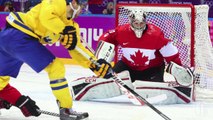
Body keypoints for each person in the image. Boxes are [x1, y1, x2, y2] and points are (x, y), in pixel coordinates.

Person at [0, 0, 111, 120]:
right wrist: (63, 30)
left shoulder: (72, 27)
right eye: (81, 7)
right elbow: (46, 16)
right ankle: (66, 109)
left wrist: (93, 64)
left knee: (1, 79)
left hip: (8, 38)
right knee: (56, 67)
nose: (81, 11)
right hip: (19, 35)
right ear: (74, 3)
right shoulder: (59, 3)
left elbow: (77, 48)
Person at [69, 9, 194, 105]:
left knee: (149, 91)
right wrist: (101, 58)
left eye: (141, 23)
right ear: (131, 22)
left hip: (152, 69)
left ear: (145, 22)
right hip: (127, 66)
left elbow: (170, 52)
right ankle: (86, 87)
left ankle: (173, 89)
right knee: (107, 78)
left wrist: (178, 69)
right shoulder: (122, 32)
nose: (139, 25)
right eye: (136, 23)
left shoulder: (155, 34)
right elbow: (108, 36)